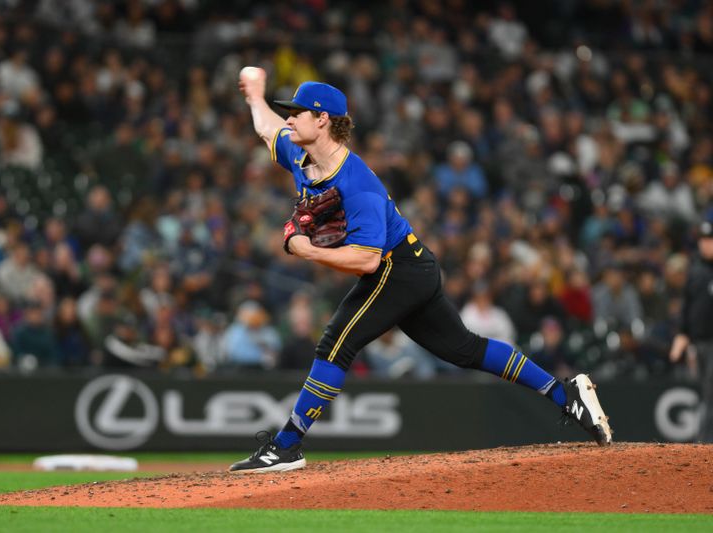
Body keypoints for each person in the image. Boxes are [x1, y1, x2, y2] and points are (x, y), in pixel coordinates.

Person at [230, 69, 612, 473]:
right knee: (464, 349)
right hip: (414, 266)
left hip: (398, 269)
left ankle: (287, 446)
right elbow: (267, 129)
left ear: (322, 119)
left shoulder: (357, 184)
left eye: (298, 113)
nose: (289, 119)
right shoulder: (299, 152)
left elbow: (367, 260)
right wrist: (255, 96)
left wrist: (304, 249)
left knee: (335, 342)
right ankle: (565, 394)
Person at [669, 219, 713, 442]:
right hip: (698, 343)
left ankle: (706, 443)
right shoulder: (696, 272)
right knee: (705, 391)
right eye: (704, 240)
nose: (707, 245)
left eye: (710, 240)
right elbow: (686, 307)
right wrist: (682, 335)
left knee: (711, 390)